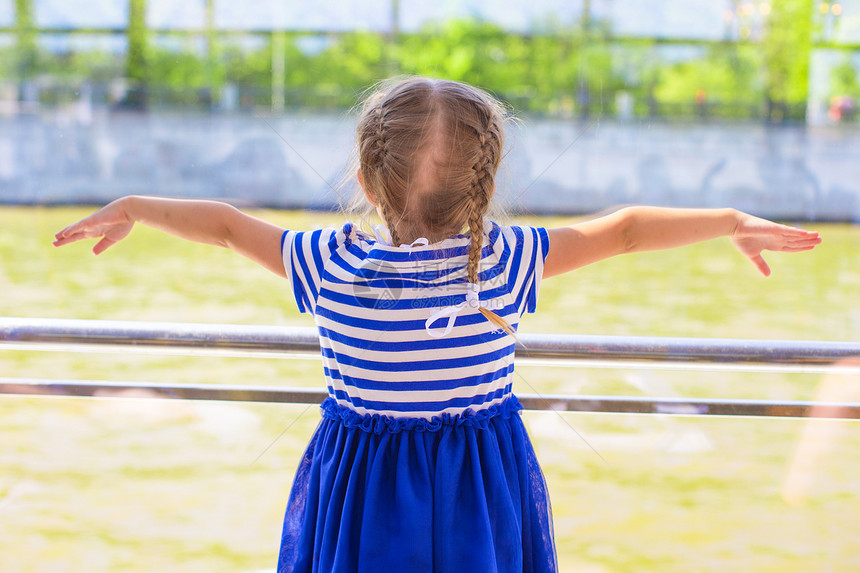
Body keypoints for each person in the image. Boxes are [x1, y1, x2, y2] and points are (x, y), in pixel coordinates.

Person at [53, 76, 821, 573]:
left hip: (360, 487)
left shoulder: (325, 261)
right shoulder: (508, 260)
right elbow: (622, 230)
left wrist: (135, 206)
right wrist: (729, 219)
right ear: (486, 185)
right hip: (477, 482)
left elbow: (223, 224)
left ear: (362, 180)